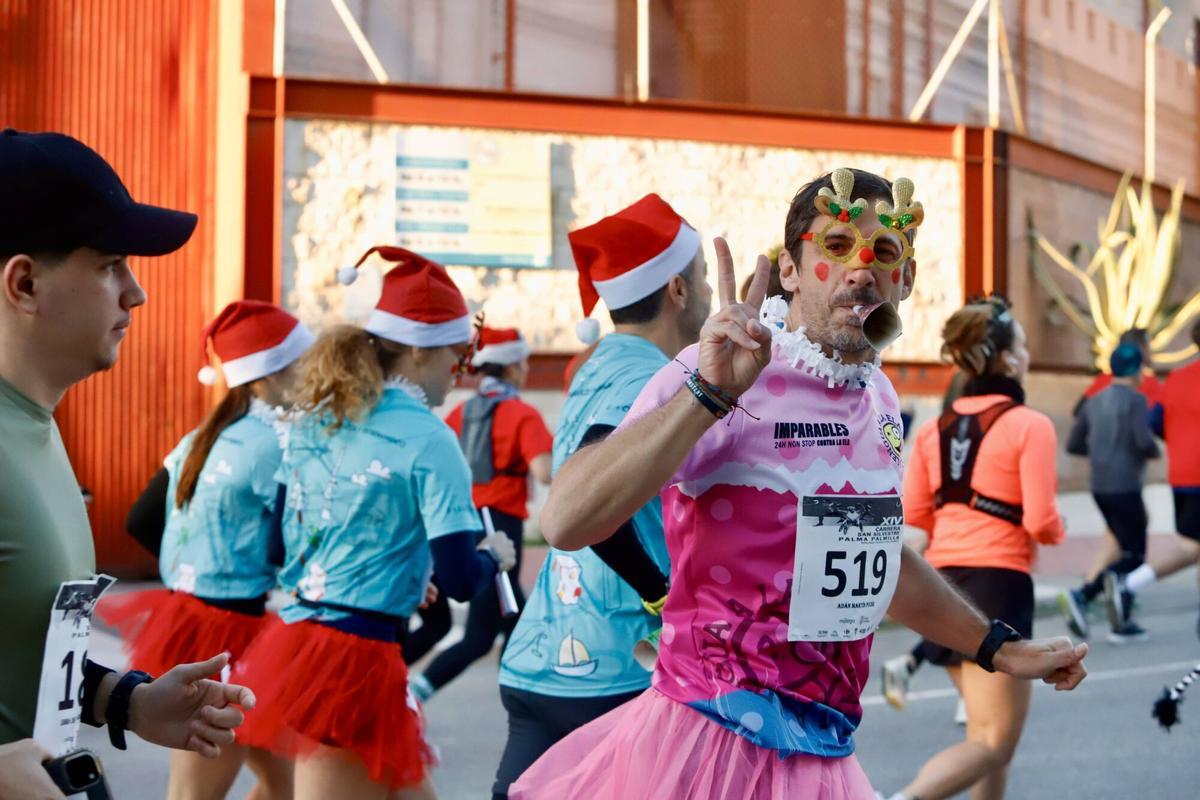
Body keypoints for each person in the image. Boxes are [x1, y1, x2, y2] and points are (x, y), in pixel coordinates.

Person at [518, 169, 1086, 800]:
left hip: (823, 750)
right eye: (836, 246)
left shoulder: (879, 399)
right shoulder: (727, 367)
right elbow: (566, 519)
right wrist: (709, 396)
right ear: (788, 270)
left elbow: (874, 562)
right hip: (707, 746)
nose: (862, 269)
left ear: (907, 280)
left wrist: (997, 647)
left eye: (885, 253)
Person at [0, 128, 256, 798]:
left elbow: (23, 654)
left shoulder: (35, 424)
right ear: (24, 283)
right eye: (112, 263)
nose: (135, 293)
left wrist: (128, 703)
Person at [233, 246, 516, 800]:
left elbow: (277, 547)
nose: (459, 374)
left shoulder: (316, 419)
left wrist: (402, 568)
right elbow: (461, 580)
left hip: (307, 640)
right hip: (351, 660)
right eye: (456, 357)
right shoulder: (430, 436)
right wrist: (496, 555)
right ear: (416, 351)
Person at [492, 194, 711, 799]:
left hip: (542, 661)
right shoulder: (645, 376)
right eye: (706, 280)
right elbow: (588, 498)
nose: (713, 294)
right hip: (616, 669)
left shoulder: (597, 364)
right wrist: (659, 590)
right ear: (678, 290)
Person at [101, 300, 314, 800]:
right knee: (202, 794)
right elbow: (293, 547)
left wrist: (197, 563)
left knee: (287, 783)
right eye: (301, 362)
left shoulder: (201, 437)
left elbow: (142, 519)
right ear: (270, 374)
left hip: (195, 617)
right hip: (232, 638)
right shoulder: (279, 443)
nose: (310, 374)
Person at [890, 295, 1067, 800]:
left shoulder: (931, 430)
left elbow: (917, 518)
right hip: (998, 585)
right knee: (993, 741)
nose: (1028, 355)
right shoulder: (1029, 424)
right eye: (1025, 346)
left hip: (941, 589)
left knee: (985, 739)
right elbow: (1040, 521)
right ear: (1008, 358)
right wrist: (1057, 529)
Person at [408, 327, 553, 702]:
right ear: (514, 367)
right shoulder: (522, 413)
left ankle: (521, 696)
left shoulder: (459, 411)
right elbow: (544, 471)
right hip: (500, 527)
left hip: (456, 522)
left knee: (518, 615)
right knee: (479, 636)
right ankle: (412, 694)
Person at [1105, 319, 1200, 637]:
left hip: (1182, 474)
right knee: (1191, 547)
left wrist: (1182, 438)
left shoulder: (1177, 378)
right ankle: (1129, 584)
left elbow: (1155, 421)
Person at [1058, 343, 1159, 642]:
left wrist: (1101, 450)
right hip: (1126, 484)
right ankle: (1083, 595)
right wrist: (1153, 451)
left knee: (1125, 549)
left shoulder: (1094, 400)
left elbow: (1074, 444)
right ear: (1136, 370)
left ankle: (1121, 619)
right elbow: (1143, 440)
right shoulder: (1137, 401)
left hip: (1100, 485)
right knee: (1136, 556)